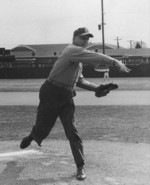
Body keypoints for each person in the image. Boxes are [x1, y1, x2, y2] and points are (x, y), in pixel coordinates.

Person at [20, 27, 130, 181]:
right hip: (51, 92)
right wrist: (113, 61)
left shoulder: (79, 62)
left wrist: (96, 88)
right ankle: (33, 135)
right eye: (83, 38)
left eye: (88, 38)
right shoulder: (71, 50)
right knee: (43, 128)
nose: (86, 41)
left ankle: (80, 166)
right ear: (75, 38)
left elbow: (80, 81)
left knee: (72, 131)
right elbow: (94, 56)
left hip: (66, 96)